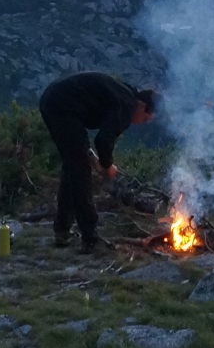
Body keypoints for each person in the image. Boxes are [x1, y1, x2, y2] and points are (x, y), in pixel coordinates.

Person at [37, 72, 158, 251]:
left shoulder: (125, 95)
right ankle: (90, 238)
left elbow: (82, 133)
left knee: (73, 167)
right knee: (79, 171)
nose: (142, 122)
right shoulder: (128, 105)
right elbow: (103, 140)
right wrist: (107, 165)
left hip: (54, 100)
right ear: (142, 106)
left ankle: (62, 231)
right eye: (146, 118)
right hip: (62, 105)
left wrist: (94, 158)